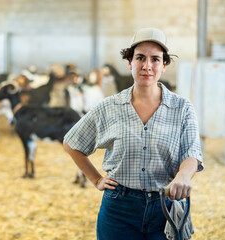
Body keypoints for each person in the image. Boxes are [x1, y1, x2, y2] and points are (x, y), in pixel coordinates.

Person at [63, 27, 203, 240]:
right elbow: (72, 143)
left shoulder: (182, 108)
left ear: (164, 65)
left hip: (165, 209)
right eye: (140, 58)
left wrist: (183, 176)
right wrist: (96, 179)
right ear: (130, 63)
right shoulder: (109, 106)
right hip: (119, 210)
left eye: (155, 59)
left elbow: (191, 152)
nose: (147, 66)